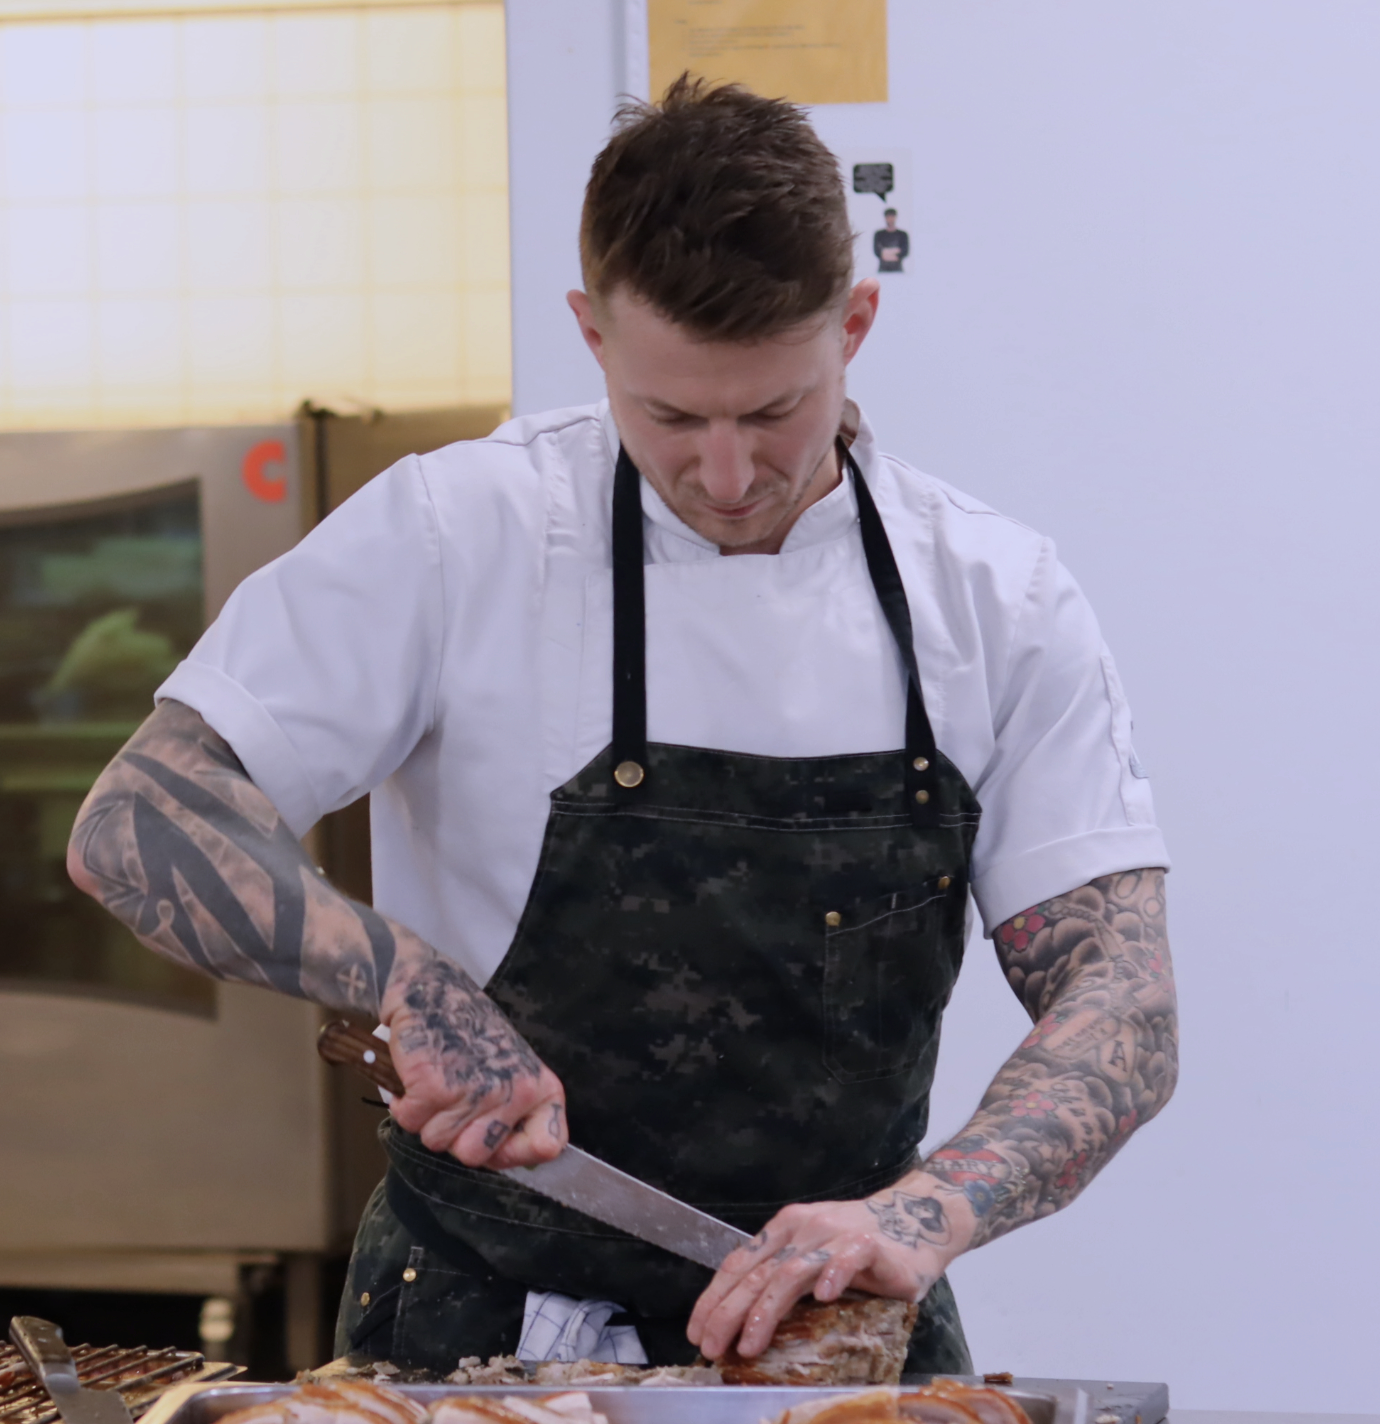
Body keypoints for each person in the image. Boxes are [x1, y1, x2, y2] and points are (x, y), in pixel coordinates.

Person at [68, 77, 1177, 1376]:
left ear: (855, 325)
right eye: (671, 417)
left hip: (839, 1348)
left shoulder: (994, 597)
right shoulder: (456, 536)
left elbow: (1126, 1007)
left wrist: (921, 1216)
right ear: (590, 335)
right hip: (477, 1339)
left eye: (773, 412)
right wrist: (409, 983)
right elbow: (138, 821)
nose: (726, 475)